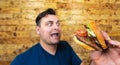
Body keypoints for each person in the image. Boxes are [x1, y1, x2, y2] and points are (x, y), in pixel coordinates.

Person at [10, 8, 82, 65]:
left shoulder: (65, 46)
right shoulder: (22, 60)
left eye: (58, 24)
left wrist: (93, 59)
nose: (56, 27)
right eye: (49, 24)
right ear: (38, 30)